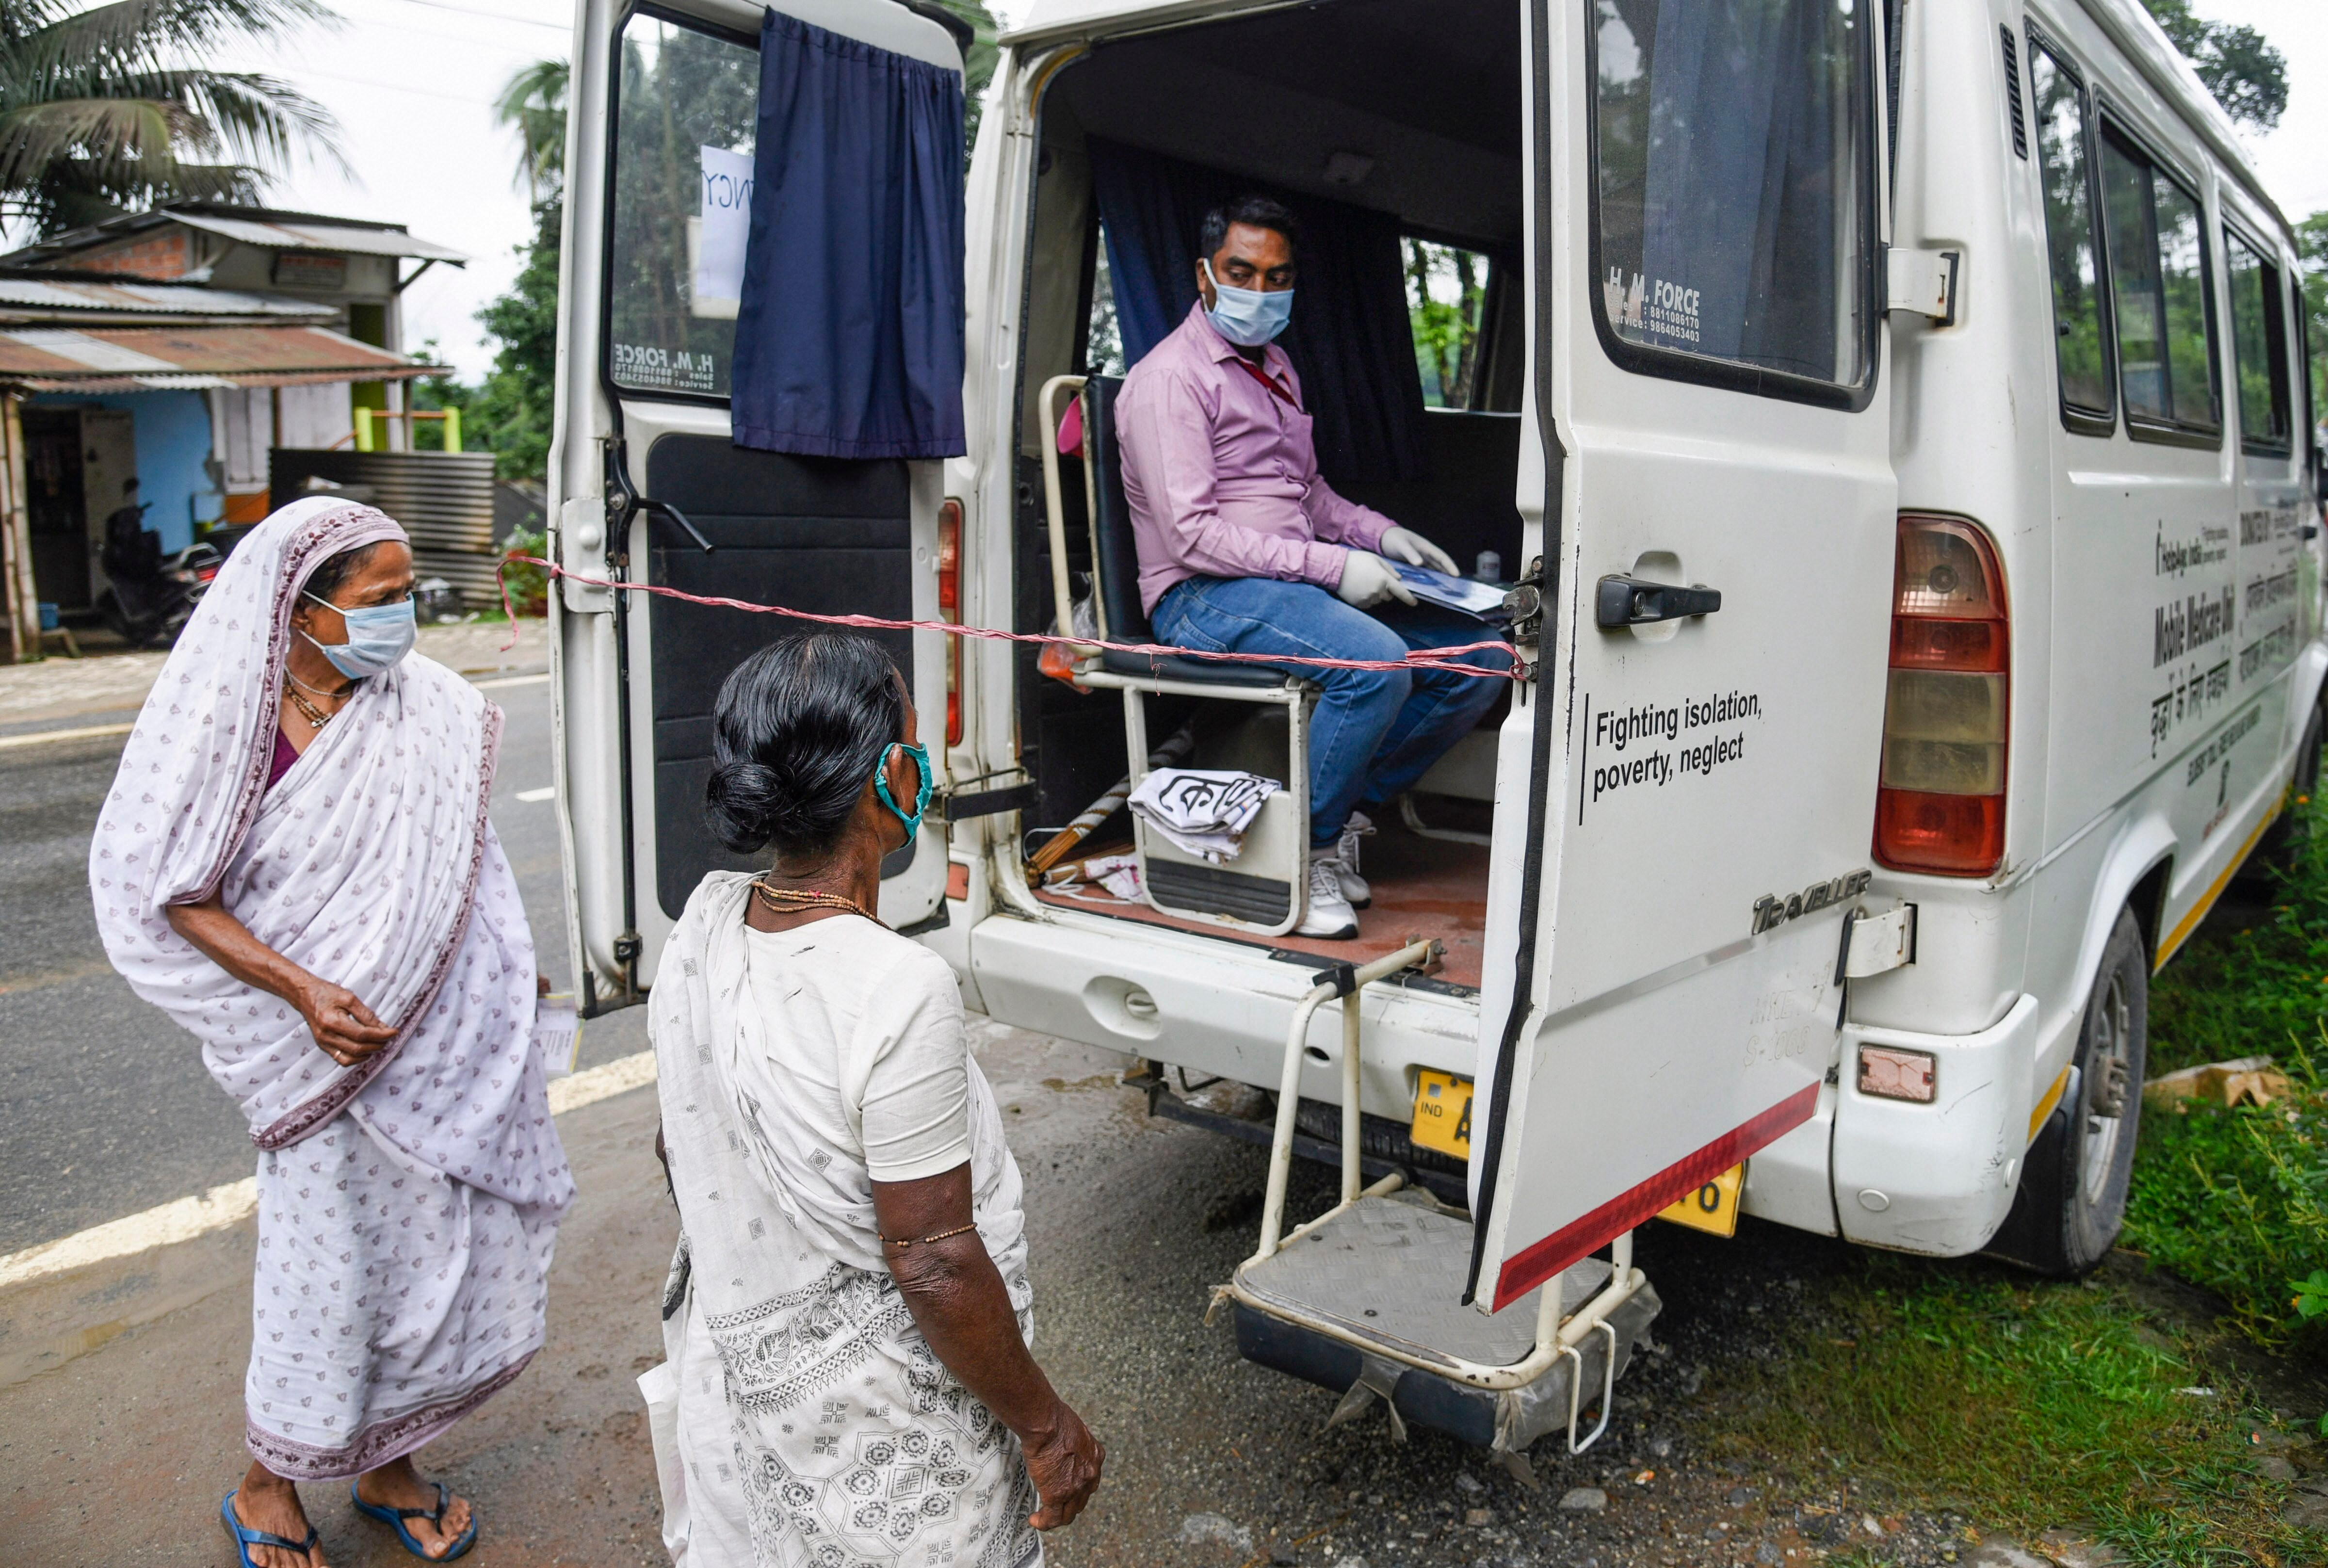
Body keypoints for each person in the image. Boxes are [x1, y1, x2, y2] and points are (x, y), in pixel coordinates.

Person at [90, 497, 571, 1567]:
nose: (405, 619)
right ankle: (270, 1485)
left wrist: (504, 961)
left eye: (412, 597)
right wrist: (304, 992)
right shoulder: (232, 720)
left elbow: (466, 862)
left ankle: (390, 1463)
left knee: (434, 1261)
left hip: (436, 1038)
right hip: (319, 1053)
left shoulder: (426, 704)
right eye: (382, 600)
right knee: (331, 1274)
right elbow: (177, 894)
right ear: (302, 610)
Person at [644, 632, 1103, 1567]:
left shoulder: (706, 925)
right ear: (887, 775)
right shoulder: (897, 987)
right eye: (913, 742)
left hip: (761, 1410)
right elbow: (934, 1263)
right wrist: (1049, 1427)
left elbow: (678, 1148)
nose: (923, 763)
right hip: (891, 1436)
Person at [1115, 194, 1511, 939]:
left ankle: (1346, 813)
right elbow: (1193, 536)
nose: (1260, 292)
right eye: (1242, 272)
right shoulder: (1171, 380)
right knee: (1378, 662)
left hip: (1285, 582)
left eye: (1277, 276)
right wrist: (1333, 567)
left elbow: (1310, 493)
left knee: (1478, 657)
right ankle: (1309, 847)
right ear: (1204, 277)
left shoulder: (1277, 367)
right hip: (1203, 594)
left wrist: (1383, 534)